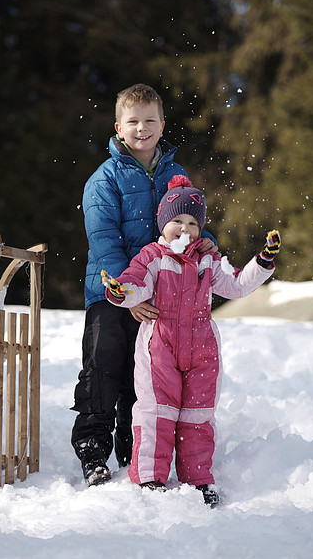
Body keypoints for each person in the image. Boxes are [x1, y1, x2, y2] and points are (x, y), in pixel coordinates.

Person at [102, 174, 281, 506]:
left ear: (200, 229)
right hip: (161, 343)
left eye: (191, 223)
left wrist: (263, 262)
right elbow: (136, 283)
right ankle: (150, 477)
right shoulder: (153, 256)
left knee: (197, 414)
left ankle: (197, 478)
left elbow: (237, 285)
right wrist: (121, 292)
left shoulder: (208, 261)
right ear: (163, 224)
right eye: (177, 221)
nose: (184, 229)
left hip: (202, 346)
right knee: (157, 410)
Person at [71, 83, 217, 486]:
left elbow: (193, 225)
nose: (141, 128)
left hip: (163, 300)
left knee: (146, 378)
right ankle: (93, 448)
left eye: (149, 121)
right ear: (118, 127)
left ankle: (131, 448)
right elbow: (104, 241)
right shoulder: (104, 179)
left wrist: (209, 245)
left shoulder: (175, 175)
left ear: (162, 125)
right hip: (112, 292)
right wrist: (128, 294)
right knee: (104, 368)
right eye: (133, 121)